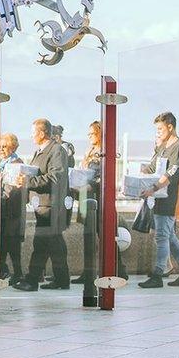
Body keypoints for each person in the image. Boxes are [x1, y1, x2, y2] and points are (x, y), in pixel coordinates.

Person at [13, 119, 71, 291]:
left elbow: (56, 177)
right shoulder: (40, 152)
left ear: (42, 133)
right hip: (43, 206)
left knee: (42, 243)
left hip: (51, 207)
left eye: (33, 132)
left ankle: (32, 280)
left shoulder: (56, 151)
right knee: (52, 244)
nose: (31, 136)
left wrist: (29, 182)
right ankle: (62, 279)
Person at [138, 112, 179, 288]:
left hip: (171, 197)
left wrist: (153, 188)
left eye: (161, 128)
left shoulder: (178, 146)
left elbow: (173, 172)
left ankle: (158, 274)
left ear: (170, 127)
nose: (158, 132)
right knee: (168, 235)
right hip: (159, 196)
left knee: (162, 235)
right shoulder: (163, 146)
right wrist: (140, 173)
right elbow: (153, 167)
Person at [73, 121, 129, 285]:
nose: (89, 136)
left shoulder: (104, 152)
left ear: (100, 134)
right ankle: (88, 271)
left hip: (99, 201)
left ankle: (120, 269)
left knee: (106, 237)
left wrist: (90, 185)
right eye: (88, 134)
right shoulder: (89, 151)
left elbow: (103, 177)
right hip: (86, 199)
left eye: (92, 133)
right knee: (89, 236)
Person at [0, 133, 25, 286]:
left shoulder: (15, 163)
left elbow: (11, 189)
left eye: (5, 147)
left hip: (11, 211)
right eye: (0, 147)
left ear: (13, 148)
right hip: (3, 210)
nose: (1, 149)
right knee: (7, 243)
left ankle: (9, 272)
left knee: (10, 243)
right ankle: (13, 272)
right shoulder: (2, 163)